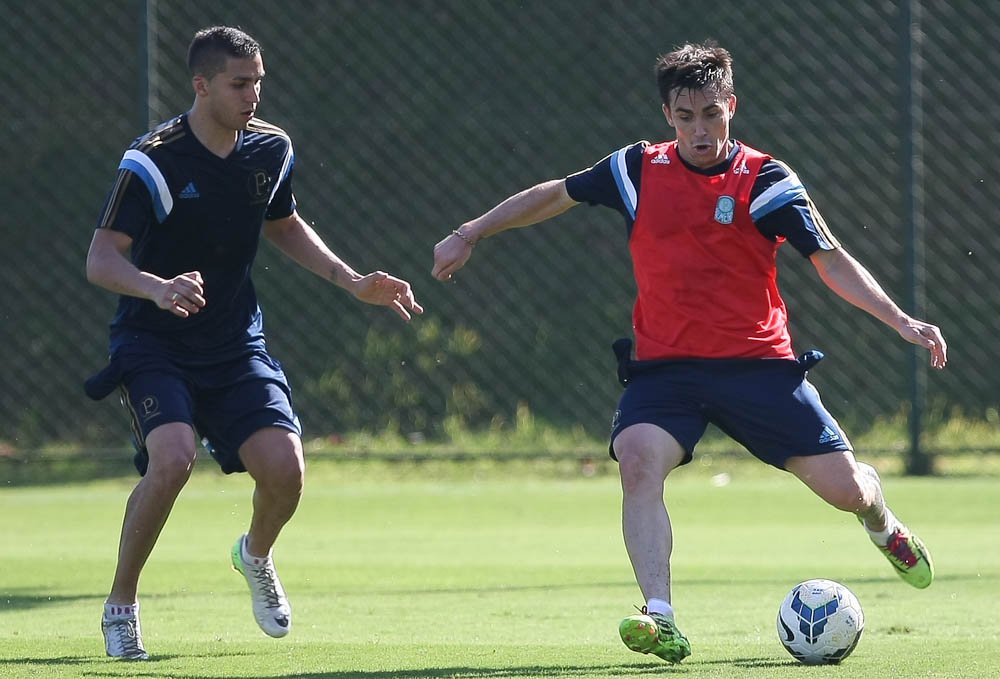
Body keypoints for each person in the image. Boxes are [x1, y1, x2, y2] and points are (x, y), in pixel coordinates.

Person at [432, 41, 946, 664]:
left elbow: (830, 261)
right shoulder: (636, 169)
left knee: (847, 492)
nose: (700, 130)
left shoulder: (766, 181)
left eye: (712, 113)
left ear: (732, 106)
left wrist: (898, 319)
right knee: (637, 461)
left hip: (758, 368)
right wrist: (471, 231)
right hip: (667, 371)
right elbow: (555, 194)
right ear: (667, 117)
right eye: (686, 117)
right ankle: (660, 615)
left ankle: (884, 526)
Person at [85, 25, 423, 660]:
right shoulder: (153, 159)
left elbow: (283, 222)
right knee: (173, 459)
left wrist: (351, 281)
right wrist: (157, 288)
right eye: (240, 84)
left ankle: (254, 555)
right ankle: (121, 605)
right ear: (202, 84)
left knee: (286, 473)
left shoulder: (270, 149)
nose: (253, 96)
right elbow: (101, 259)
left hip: (236, 343)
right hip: (154, 342)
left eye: (259, 82)